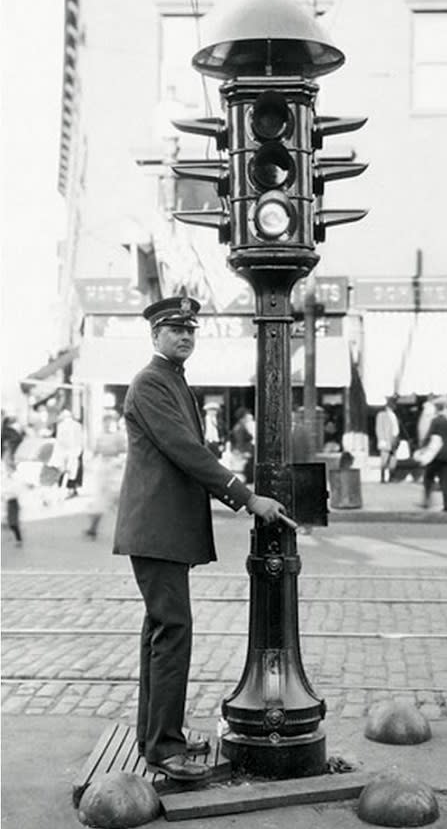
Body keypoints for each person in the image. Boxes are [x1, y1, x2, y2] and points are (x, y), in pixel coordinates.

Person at [113, 295, 286, 782]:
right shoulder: (151, 382)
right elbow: (186, 450)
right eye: (175, 330)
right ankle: (164, 748)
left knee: (161, 630)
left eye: (190, 329)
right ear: (155, 336)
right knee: (174, 632)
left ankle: (157, 734)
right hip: (156, 530)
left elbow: (189, 450)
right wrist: (245, 496)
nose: (185, 336)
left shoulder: (172, 381)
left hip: (160, 530)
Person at [84, 415, 127, 540]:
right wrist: (90, 462)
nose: (108, 425)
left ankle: (125, 531)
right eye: (106, 422)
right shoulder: (101, 436)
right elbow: (96, 450)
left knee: (118, 502)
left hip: (115, 469)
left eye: (110, 422)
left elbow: (124, 451)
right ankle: (93, 528)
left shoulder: (118, 436)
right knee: (100, 501)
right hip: (104, 469)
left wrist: (119, 462)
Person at [420, 396, 447, 512]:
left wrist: (422, 446)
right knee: (445, 481)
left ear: (437, 409)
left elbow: (429, 435)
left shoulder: (435, 421)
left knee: (428, 477)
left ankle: (426, 500)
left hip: (436, 454)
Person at [49, 409, 84, 498]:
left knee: (63, 470)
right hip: (75, 450)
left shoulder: (60, 425)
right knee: (74, 470)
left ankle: (64, 488)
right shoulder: (77, 425)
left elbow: (59, 439)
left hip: (64, 450)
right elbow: (80, 439)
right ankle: (72, 488)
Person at [375, 398, 400, 483]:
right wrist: (382, 439)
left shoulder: (394, 415)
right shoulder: (382, 415)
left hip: (394, 438)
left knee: (393, 459)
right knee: (384, 459)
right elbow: (379, 428)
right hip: (386, 439)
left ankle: (391, 476)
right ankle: (382, 477)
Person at [230, 407, 255, 483]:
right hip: (244, 452)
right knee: (245, 472)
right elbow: (239, 441)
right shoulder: (240, 427)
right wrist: (244, 452)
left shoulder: (242, 426)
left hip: (246, 451)